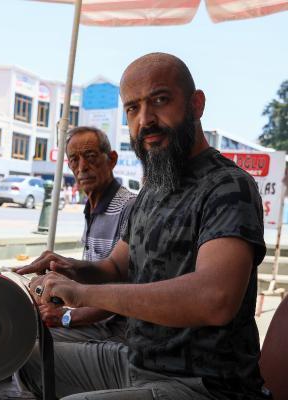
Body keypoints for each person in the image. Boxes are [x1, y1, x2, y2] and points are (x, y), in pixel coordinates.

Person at [17, 52, 269, 400]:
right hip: (137, 361)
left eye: (160, 100)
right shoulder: (152, 189)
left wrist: (83, 294)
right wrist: (68, 269)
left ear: (196, 104)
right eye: (133, 108)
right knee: (19, 357)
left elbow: (215, 298)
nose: (145, 119)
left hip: (205, 383)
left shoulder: (228, 186)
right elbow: (116, 267)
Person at [35, 126, 136, 342]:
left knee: (29, 340)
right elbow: (95, 276)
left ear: (112, 159)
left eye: (90, 156)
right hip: (94, 321)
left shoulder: (129, 207)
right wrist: (59, 272)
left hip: (115, 330)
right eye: (74, 160)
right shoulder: (92, 207)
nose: (82, 167)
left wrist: (67, 317)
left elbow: (127, 287)